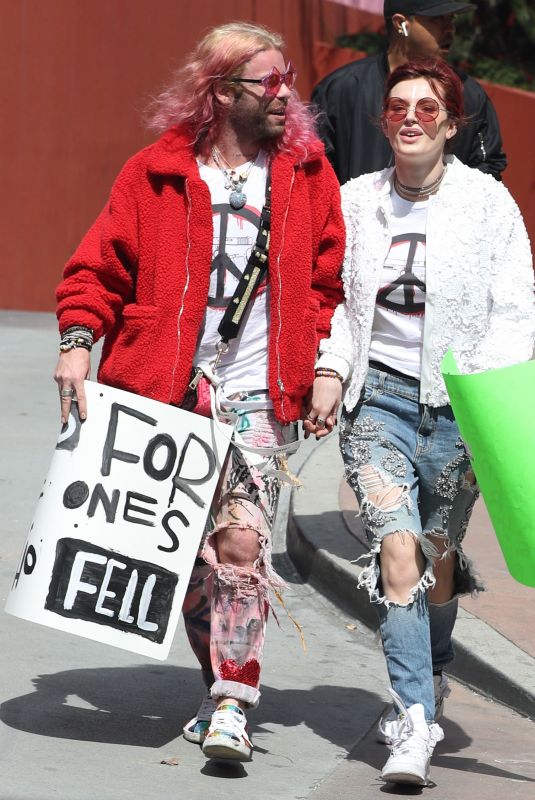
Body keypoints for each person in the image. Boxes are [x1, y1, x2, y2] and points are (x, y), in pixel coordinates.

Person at [54, 21, 344, 763]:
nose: (285, 94)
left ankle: (231, 703)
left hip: (253, 389)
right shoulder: (151, 173)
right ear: (219, 91)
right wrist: (78, 344)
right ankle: (214, 672)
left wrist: (324, 368)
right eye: (268, 82)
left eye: (287, 81)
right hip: (162, 391)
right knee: (178, 563)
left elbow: (327, 282)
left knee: (241, 543)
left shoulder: (308, 175)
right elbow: (97, 270)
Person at [305, 57, 535, 785]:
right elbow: (338, 301)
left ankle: (431, 670)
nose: (409, 117)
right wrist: (330, 370)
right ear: (383, 123)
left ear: (451, 122)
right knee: (396, 550)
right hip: (379, 404)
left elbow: (513, 311)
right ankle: (411, 718)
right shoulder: (353, 201)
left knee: (435, 557)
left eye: (426, 108)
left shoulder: (488, 204)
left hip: (459, 411)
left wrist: (481, 399)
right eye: (397, 108)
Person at [312, 1, 507, 184]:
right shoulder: (342, 89)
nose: (450, 28)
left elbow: (488, 166)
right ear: (400, 23)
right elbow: (314, 168)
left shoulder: (469, 94)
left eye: (451, 19)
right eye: (438, 19)